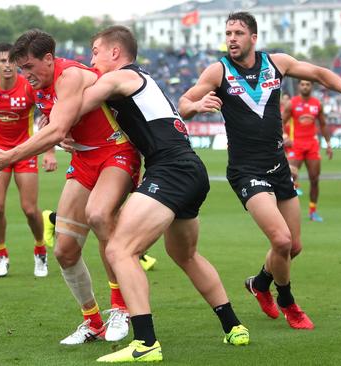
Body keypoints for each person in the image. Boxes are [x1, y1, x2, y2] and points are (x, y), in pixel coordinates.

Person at [178, 12, 341, 330]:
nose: (231, 38)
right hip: (245, 170)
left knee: (293, 246)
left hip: (279, 167)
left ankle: (259, 283)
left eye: (238, 33)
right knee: (280, 241)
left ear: (253, 38)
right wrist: (195, 107)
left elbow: (320, 72)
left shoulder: (277, 63)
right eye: (228, 33)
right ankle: (288, 302)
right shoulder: (218, 70)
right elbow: (184, 101)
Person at [70, 25, 249, 363]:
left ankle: (146, 343)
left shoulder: (118, 78)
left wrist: (54, 118)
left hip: (171, 170)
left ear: (114, 53)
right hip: (189, 169)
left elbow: (74, 107)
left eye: (95, 51)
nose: (91, 59)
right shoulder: (143, 79)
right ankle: (233, 326)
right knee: (186, 255)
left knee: (120, 249)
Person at [0, 29, 141, 345]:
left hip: (116, 151)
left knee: (100, 215)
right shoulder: (39, 85)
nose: (26, 75)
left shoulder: (71, 75)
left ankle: (120, 309)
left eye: (30, 67)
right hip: (84, 161)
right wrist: (55, 136)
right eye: (21, 69)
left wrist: (9, 155)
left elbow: (60, 125)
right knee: (63, 250)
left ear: (49, 59)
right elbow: (55, 125)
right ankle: (93, 323)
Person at [0, 42, 57, 278]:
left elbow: (49, 114)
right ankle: (1, 255)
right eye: (3, 61)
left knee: (29, 209)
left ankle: (40, 250)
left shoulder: (28, 87)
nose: (7, 66)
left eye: (11, 61)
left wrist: (49, 152)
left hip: (25, 150)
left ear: (17, 64)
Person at [283, 80, 332, 222]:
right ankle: (286, 212)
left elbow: (323, 125)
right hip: (295, 145)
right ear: (299, 86)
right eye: (302, 84)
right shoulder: (292, 103)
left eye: (308, 84)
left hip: (312, 145)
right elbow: (280, 121)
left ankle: (313, 211)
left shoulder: (317, 104)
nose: (305, 86)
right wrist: (284, 136)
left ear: (312, 87)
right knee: (289, 178)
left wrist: (328, 144)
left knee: (315, 180)